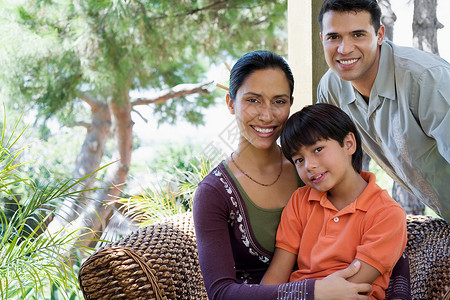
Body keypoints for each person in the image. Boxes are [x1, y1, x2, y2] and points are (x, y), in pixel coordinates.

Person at [193, 50, 375, 299]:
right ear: (231, 103)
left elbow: (383, 238)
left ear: (290, 103)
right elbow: (221, 293)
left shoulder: (315, 171)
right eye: (253, 100)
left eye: (279, 101)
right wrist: (312, 292)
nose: (267, 115)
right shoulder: (213, 193)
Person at [316, 0, 450, 222]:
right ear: (322, 39)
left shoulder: (427, 80)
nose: (344, 48)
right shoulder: (331, 88)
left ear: (379, 35)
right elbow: (330, 168)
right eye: (334, 37)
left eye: (357, 34)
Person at [261, 103, 407, 300]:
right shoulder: (300, 201)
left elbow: (351, 286)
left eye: (318, 149)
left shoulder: (386, 214)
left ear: (348, 144)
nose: (309, 166)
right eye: (299, 160)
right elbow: (276, 276)